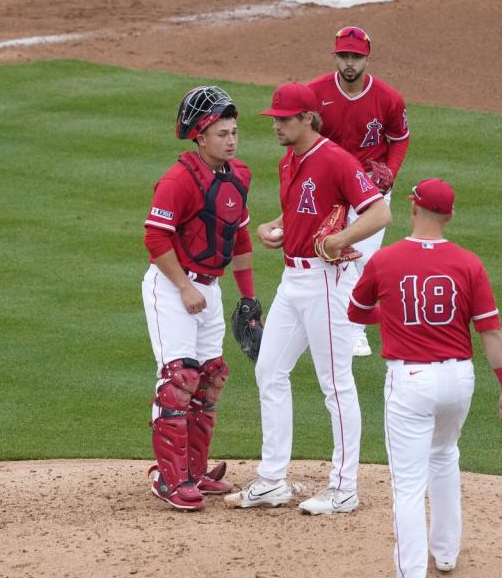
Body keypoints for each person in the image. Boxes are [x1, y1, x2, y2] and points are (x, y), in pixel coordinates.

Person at [346, 178, 502, 578]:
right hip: (459, 380)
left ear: (413, 208)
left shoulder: (386, 260)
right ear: (450, 216)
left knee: (408, 486)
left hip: (411, 381)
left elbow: (355, 312)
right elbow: (491, 331)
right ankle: (445, 553)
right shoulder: (468, 263)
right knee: (444, 456)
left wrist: (393, 308)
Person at [225, 82, 390, 514]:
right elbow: (300, 206)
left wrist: (340, 239)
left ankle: (344, 486)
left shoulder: (336, 159)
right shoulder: (289, 161)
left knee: (335, 383)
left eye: (284, 119)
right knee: (269, 370)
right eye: (275, 119)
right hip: (293, 281)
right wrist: (273, 227)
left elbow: (379, 211)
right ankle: (272, 479)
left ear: (307, 119)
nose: (276, 125)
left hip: (327, 283)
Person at [142, 85, 259, 511]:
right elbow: (155, 238)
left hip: (208, 288)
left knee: (211, 377)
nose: (232, 140)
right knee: (179, 381)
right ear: (200, 136)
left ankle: (194, 472)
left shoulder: (239, 176)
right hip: (172, 287)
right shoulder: (177, 180)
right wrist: (186, 287)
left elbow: (241, 237)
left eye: (234, 132)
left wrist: (247, 300)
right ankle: (169, 481)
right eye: (223, 133)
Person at [307, 26, 410, 357]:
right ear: (336, 56)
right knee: (323, 255)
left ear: (367, 58)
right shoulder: (315, 94)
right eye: (344, 56)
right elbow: (302, 140)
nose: (350, 63)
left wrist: (390, 173)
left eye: (356, 57)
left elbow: (399, 139)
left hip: (369, 189)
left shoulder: (388, 98)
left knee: (363, 260)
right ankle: (322, 320)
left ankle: (356, 330)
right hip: (330, 186)